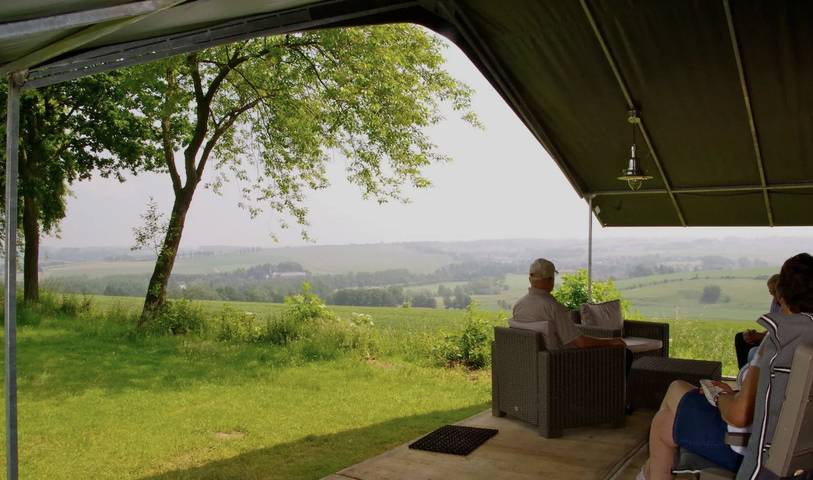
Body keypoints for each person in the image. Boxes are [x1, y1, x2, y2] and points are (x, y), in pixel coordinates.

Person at [638, 253, 813, 480]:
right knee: (664, 423)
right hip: (799, 456)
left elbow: (739, 416)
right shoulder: (806, 339)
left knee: (672, 399)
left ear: (781, 295)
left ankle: (648, 473)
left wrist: (720, 397)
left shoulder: (780, 341)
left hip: (756, 452)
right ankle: (648, 473)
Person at [509, 258, 625, 351]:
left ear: (530, 280)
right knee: (625, 354)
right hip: (566, 363)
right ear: (550, 280)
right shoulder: (553, 307)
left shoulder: (518, 306)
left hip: (531, 364)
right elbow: (581, 343)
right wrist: (610, 341)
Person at [733, 274, 779, 369]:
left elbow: (781, 330)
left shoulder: (787, 305)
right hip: (770, 337)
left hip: (775, 342)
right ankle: (743, 375)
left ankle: (747, 377)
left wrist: (761, 337)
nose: (773, 296)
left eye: (774, 292)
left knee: (753, 351)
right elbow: (773, 327)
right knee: (740, 338)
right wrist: (756, 335)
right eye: (771, 292)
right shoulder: (776, 302)